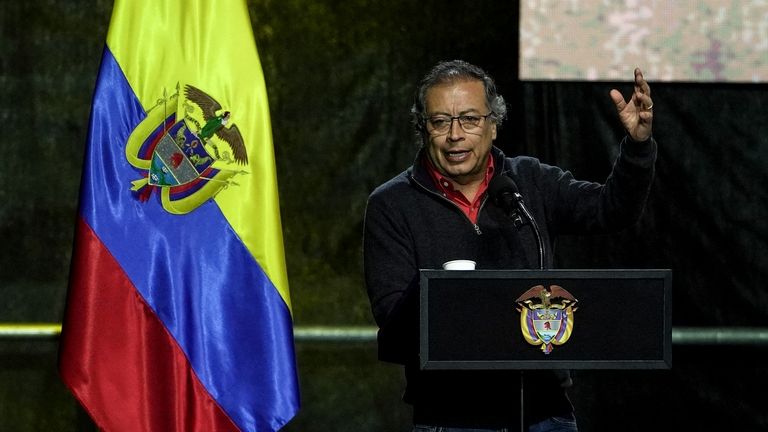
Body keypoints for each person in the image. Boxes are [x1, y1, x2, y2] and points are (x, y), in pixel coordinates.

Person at [363, 59, 656, 432]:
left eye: (469, 119)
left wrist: (637, 146)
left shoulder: (529, 181)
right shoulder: (392, 204)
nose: (455, 134)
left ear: (493, 125)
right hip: (451, 417)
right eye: (440, 122)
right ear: (424, 129)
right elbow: (394, 320)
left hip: (545, 413)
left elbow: (612, 210)